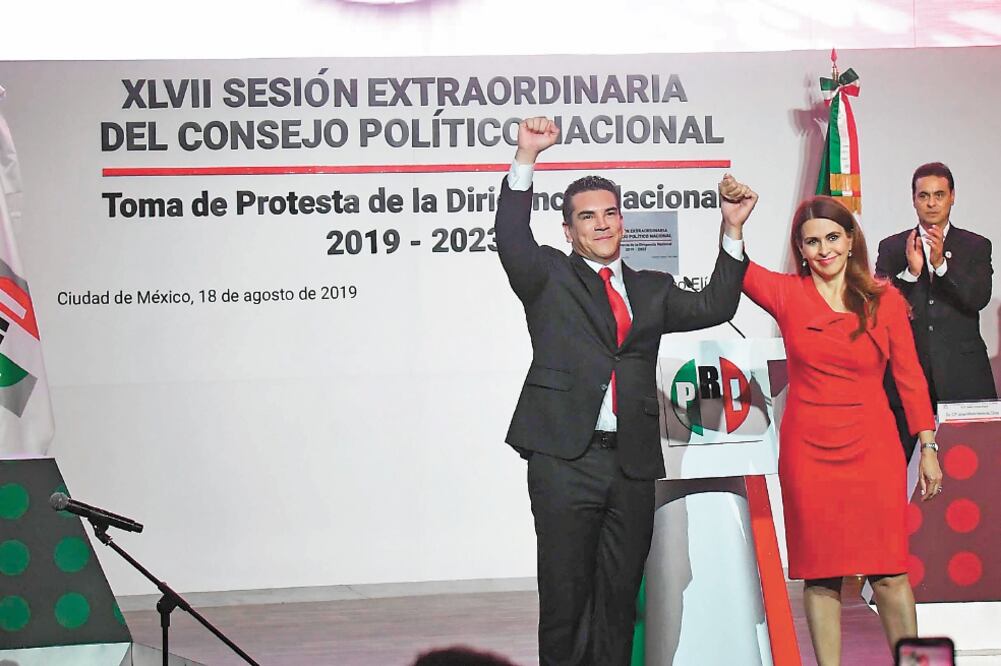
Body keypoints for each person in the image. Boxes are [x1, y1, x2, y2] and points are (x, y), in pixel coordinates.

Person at [494, 116, 751, 665]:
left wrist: (731, 228)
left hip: (631, 464)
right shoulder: (548, 275)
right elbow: (511, 238)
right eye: (587, 217)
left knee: (618, 600)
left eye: (610, 213)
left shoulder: (652, 288)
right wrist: (526, 157)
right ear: (568, 231)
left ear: (623, 220)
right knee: (565, 598)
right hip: (565, 459)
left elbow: (716, 304)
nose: (602, 224)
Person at [728, 175, 945, 665]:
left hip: (874, 450)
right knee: (821, 575)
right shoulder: (787, 294)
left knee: (890, 573)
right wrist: (733, 223)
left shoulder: (885, 299)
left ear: (850, 241)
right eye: (812, 242)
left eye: (832, 237)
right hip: (809, 454)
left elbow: (910, 379)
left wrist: (928, 446)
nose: (823, 249)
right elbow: (738, 269)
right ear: (801, 250)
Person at [875, 162, 997, 461]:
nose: (931, 203)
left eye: (939, 195)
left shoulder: (975, 245)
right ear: (913, 199)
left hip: (963, 377)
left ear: (952, 197)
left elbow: (978, 298)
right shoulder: (892, 247)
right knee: (903, 469)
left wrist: (941, 265)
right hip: (908, 377)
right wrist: (911, 274)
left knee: (973, 467)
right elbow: (877, 309)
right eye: (924, 195)